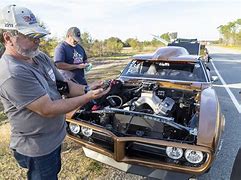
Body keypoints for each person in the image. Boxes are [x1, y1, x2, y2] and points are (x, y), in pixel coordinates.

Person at [0, 4, 109, 180]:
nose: (38, 41)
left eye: (39, 36)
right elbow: (47, 108)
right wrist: (87, 97)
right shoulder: (12, 72)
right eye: (31, 36)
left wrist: (88, 88)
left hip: (53, 138)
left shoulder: (38, 56)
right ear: (8, 38)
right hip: (37, 146)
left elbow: (62, 84)